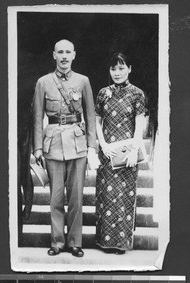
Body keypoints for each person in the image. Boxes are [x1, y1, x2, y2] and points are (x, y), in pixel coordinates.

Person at [33, 39, 96, 257]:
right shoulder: (43, 82)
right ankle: (57, 242)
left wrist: (91, 145)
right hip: (52, 145)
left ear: (74, 55)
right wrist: (38, 148)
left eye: (68, 52)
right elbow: (37, 116)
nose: (64, 56)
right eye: (60, 52)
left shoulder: (83, 81)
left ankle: (75, 242)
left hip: (78, 144)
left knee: (76, 197)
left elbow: (90, 115)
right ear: (53, 55)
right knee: (56, 198)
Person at [95, 52, 145, 254]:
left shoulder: (137, 94)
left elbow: (139, 125)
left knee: (123, 197)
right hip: (107, 152)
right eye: (113, 68)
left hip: (127, 154)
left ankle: (121, 243)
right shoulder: (103, 93)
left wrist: (134, 150)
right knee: (106, 196)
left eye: (121, 68)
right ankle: (104, 242)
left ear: (130, 69)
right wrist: (103, 144)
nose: (117, 72)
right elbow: (97, 121)